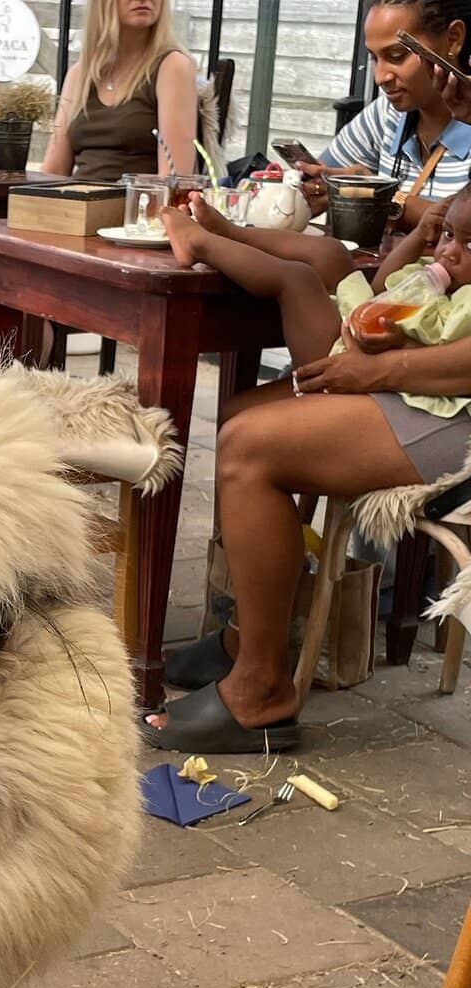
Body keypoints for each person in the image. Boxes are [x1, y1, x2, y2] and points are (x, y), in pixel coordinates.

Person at [142, 185, 471, 753]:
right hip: (428, 388)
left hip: (459, 414)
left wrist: (380, 372)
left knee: (251, 445)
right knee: (242, 417)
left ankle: (261, 688)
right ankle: (248, 639)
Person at [298, 0, 471, 230]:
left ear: (453, 39)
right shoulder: (386, 115)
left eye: (397, 56)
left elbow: (460, 227)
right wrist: (322, 186)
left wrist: (376, 195)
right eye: (374, 58)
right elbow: (327, 178)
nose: (380, 77)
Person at [42, 0, 198, 181]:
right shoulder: (81, 74)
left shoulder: (172, 67)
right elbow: (53, 170)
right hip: (75, 203)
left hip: (135, 205)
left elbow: (174, 178)